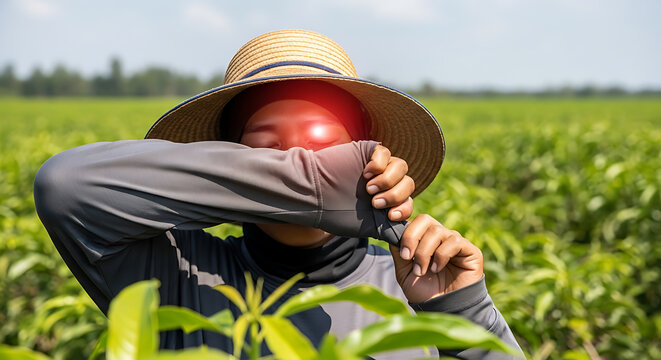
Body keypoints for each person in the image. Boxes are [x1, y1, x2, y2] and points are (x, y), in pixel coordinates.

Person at [33, 30, 523, 359]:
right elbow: (68, 186)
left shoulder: (413, 283)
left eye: (322, 151)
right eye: (268, 153)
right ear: (231, 163)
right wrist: (315, 185)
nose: (296, 162)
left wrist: (465, 314)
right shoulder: (180, 274)